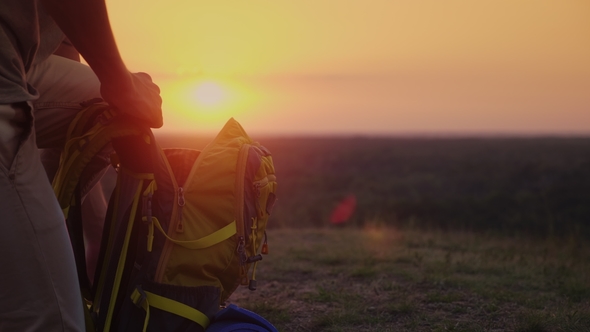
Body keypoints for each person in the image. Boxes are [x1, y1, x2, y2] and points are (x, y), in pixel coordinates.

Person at [0, 0, 163, 330]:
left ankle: (33, 229)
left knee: (105, 111)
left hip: (19, 64)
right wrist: (121, 82)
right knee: (52, 318)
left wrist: (94, 222)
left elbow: (63, 48)